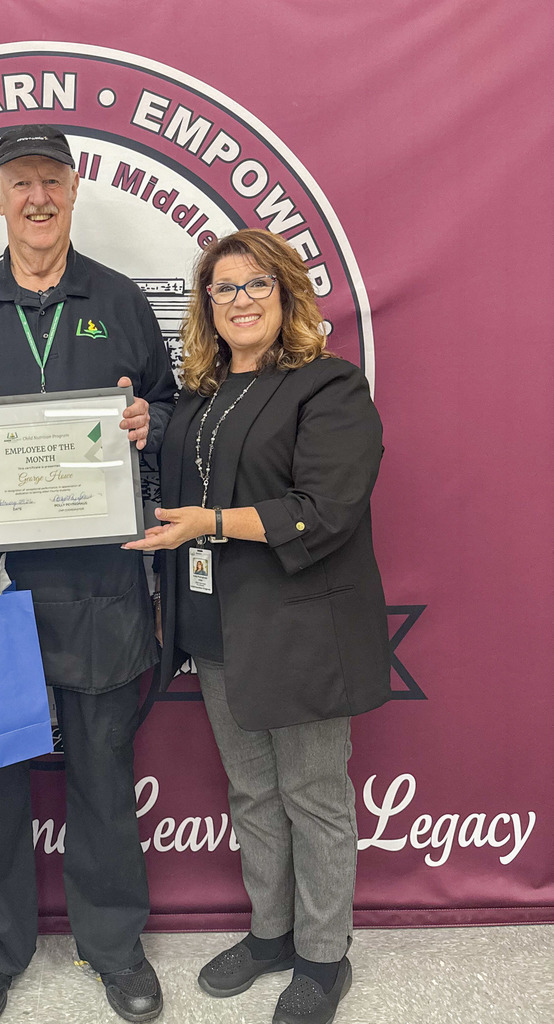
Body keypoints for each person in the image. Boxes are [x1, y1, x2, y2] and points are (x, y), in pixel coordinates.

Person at [0, 124, 176, 1024]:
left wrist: (149, 423)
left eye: (51, 181)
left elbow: (168, 407)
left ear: (75, 189)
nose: (37, 197)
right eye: (19, 182)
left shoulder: (124, 301)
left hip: (100, 583)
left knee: (103, 771)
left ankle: (114, 949)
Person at [124, 228, 391, 1024]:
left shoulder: (329, 386)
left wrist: (210, 519)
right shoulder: (200, 398)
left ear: (288, 297)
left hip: (299, 628)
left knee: (312, 793)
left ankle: (323, 955)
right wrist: (144, 431)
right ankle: (271, 933)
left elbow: (326, 510)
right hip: (214, 624)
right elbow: (174, 481)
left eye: (256, 286)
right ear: (206, 306)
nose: (240, 301)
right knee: (251, 790)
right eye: (224, 288)